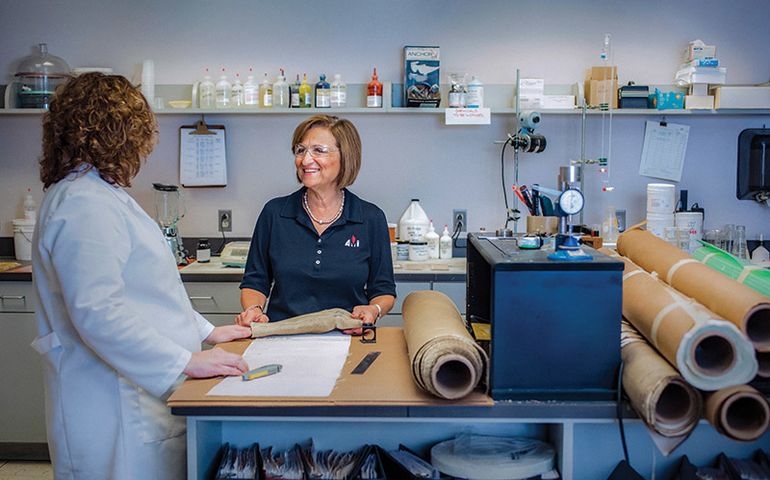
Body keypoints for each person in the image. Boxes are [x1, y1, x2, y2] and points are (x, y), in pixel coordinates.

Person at [31, 72, 252, 479]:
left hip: (132, 392)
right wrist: (186, 361)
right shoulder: (83, 202)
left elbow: (150, 293)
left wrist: (207, 331)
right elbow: (99, 313)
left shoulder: (98, 193)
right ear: (119, 133)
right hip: (114, 404)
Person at [236, 115, 396, 332]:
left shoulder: (370, 218)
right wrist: (254, 309)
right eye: (300, 150)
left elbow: (383, 289)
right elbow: (255, 281)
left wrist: (374, 309)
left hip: (347, 335)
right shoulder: (274, 213)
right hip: (283, 334)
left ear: (346, 157)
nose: (305, 159)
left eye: (318, 150)